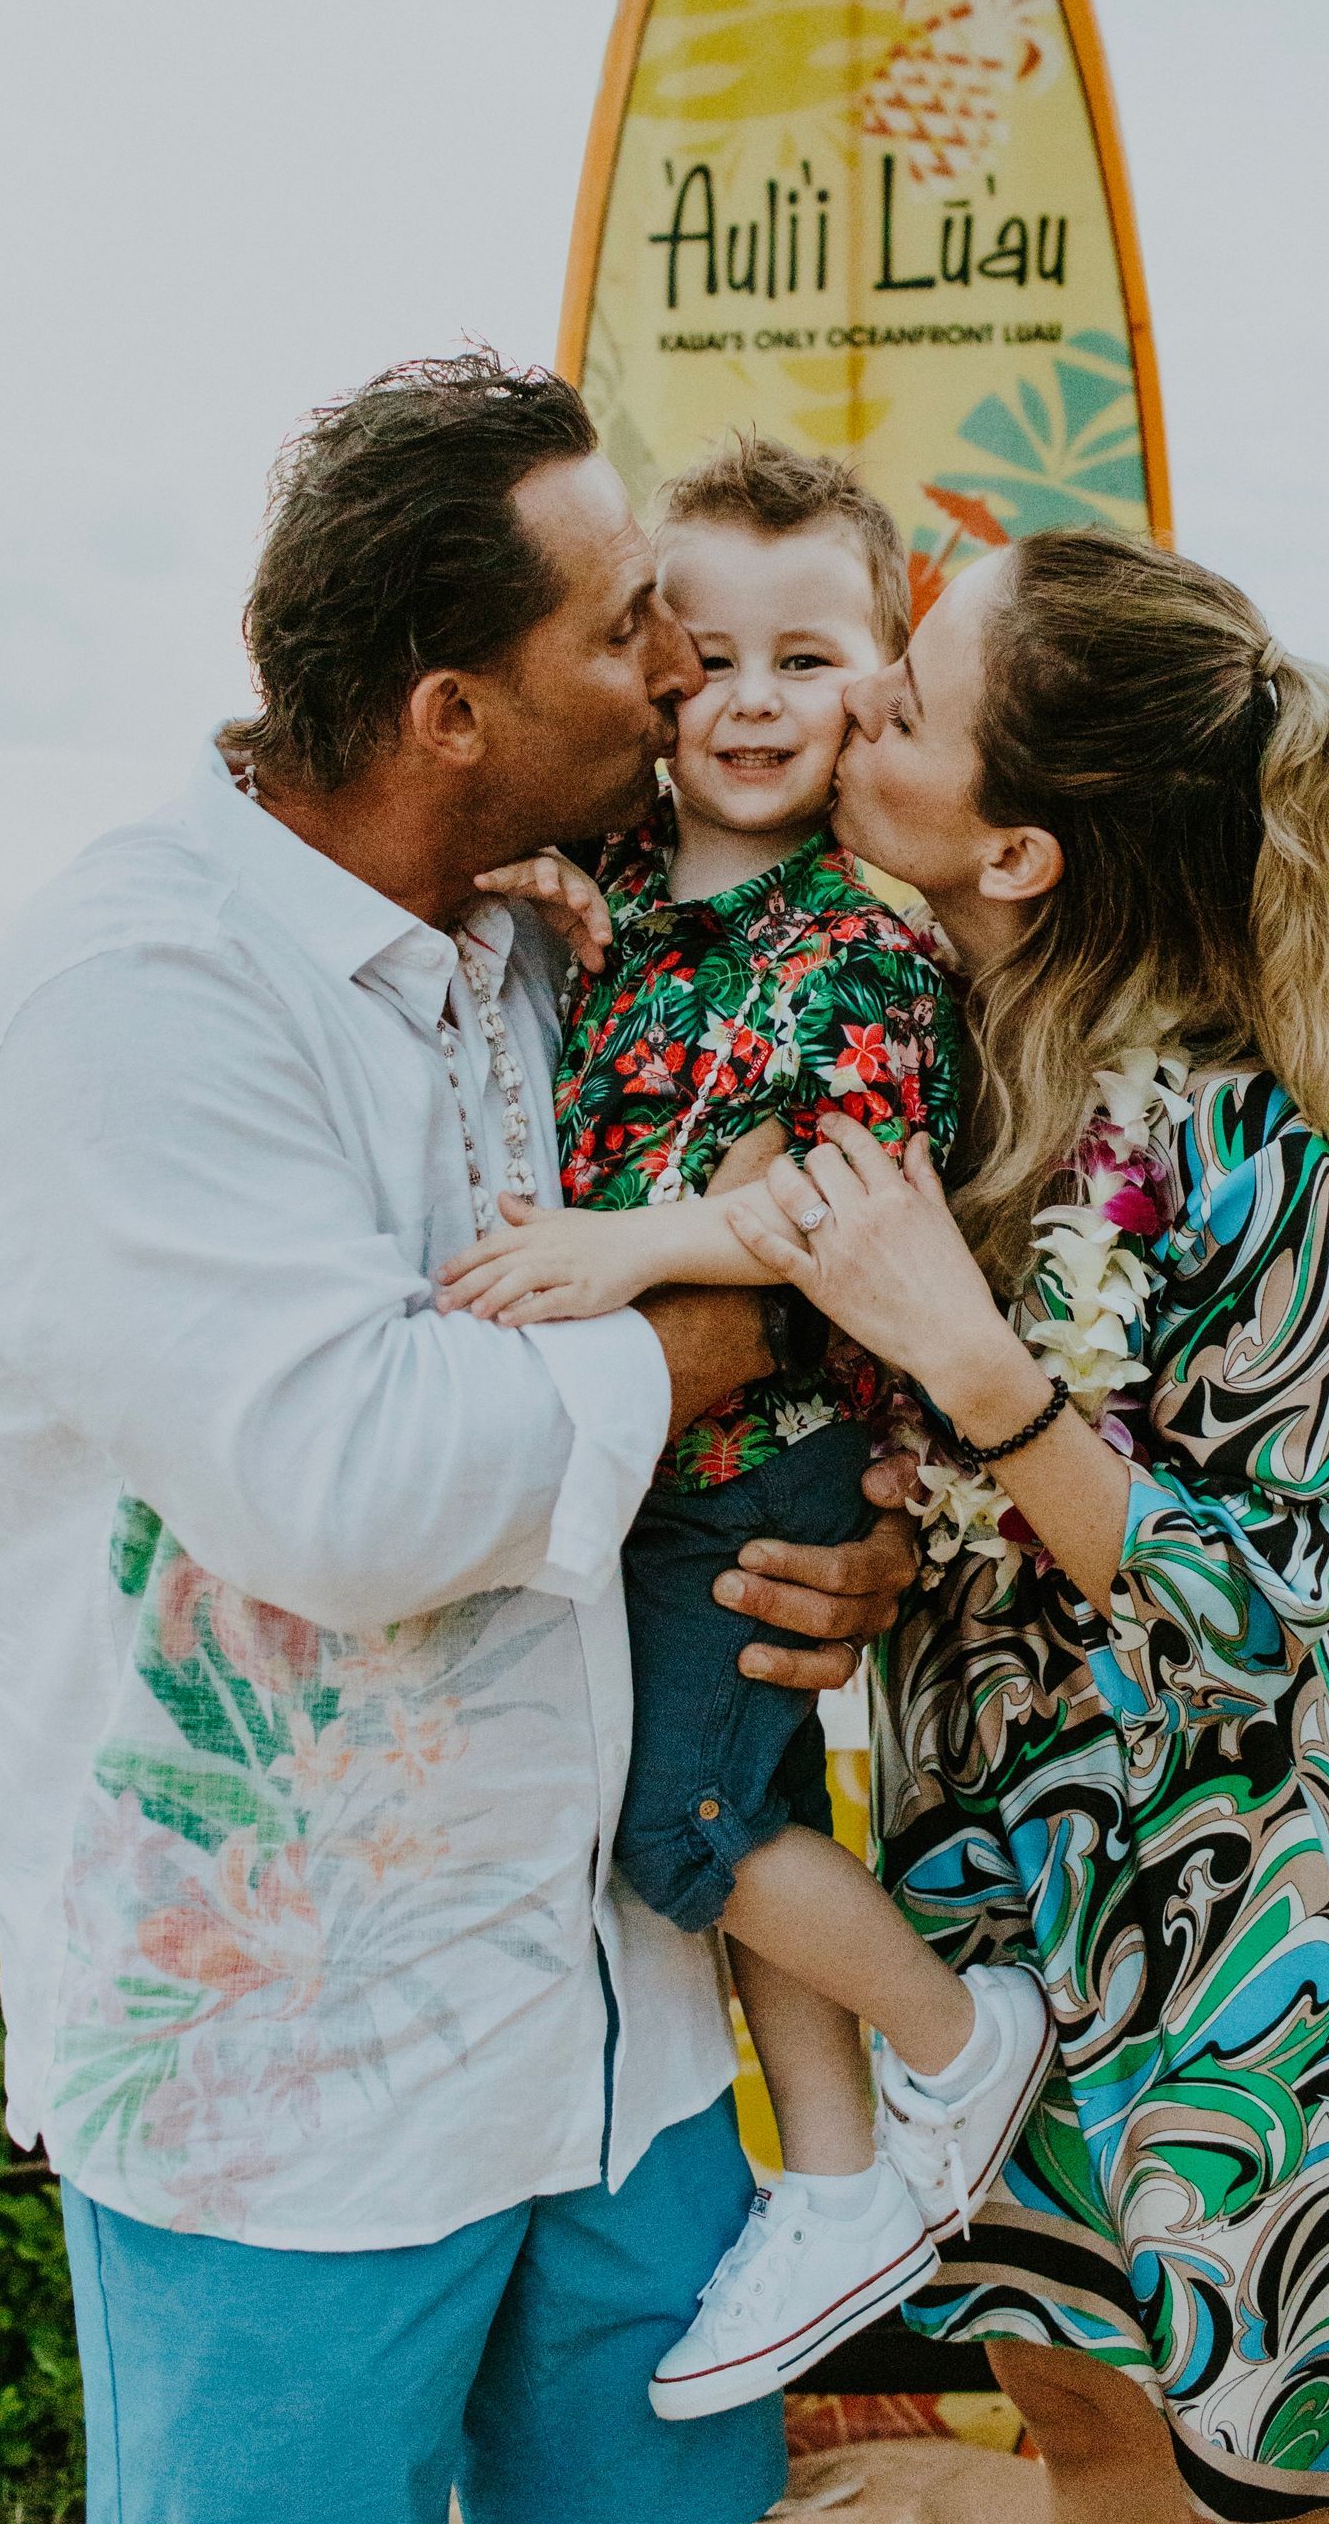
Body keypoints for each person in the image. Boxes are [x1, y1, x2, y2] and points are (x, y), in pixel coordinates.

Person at [0, 355, 922, 2524]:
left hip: (624, 2038)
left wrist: (864, 1539)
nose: (678, 676)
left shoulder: (549, 939)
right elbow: (354, 1494)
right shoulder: (143, 991)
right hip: (290, 2097)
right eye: (623, 630)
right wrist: (734, 1326)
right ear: (448, 710)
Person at [720, 529, 1329, 2523]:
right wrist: (885, 1553)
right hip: (991, 1900)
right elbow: (958, 1511)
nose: (859, 698)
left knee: (1281, 2486)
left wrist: (978, 1366)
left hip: (1232, 1917)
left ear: (1018, 850)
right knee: (1084, 2427)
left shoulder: (1242, 1155)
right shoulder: (937, 1074)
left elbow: (1262, 1605)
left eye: (912, 696)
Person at [438, 435, 1050, 2419]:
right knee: (743, 1808)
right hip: (645, 1472)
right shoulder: (623, 884)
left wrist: (627, 1249)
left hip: (761, 1461)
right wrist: (532, 876)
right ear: (653, 674)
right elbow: (612, 983)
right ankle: (846, 2180)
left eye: (816, 657)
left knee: (676, 1822)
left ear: (884, 678)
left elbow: (839, 1201)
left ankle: (955, 2040)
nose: (761, 699)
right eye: (715, 657)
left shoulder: (863, 945)